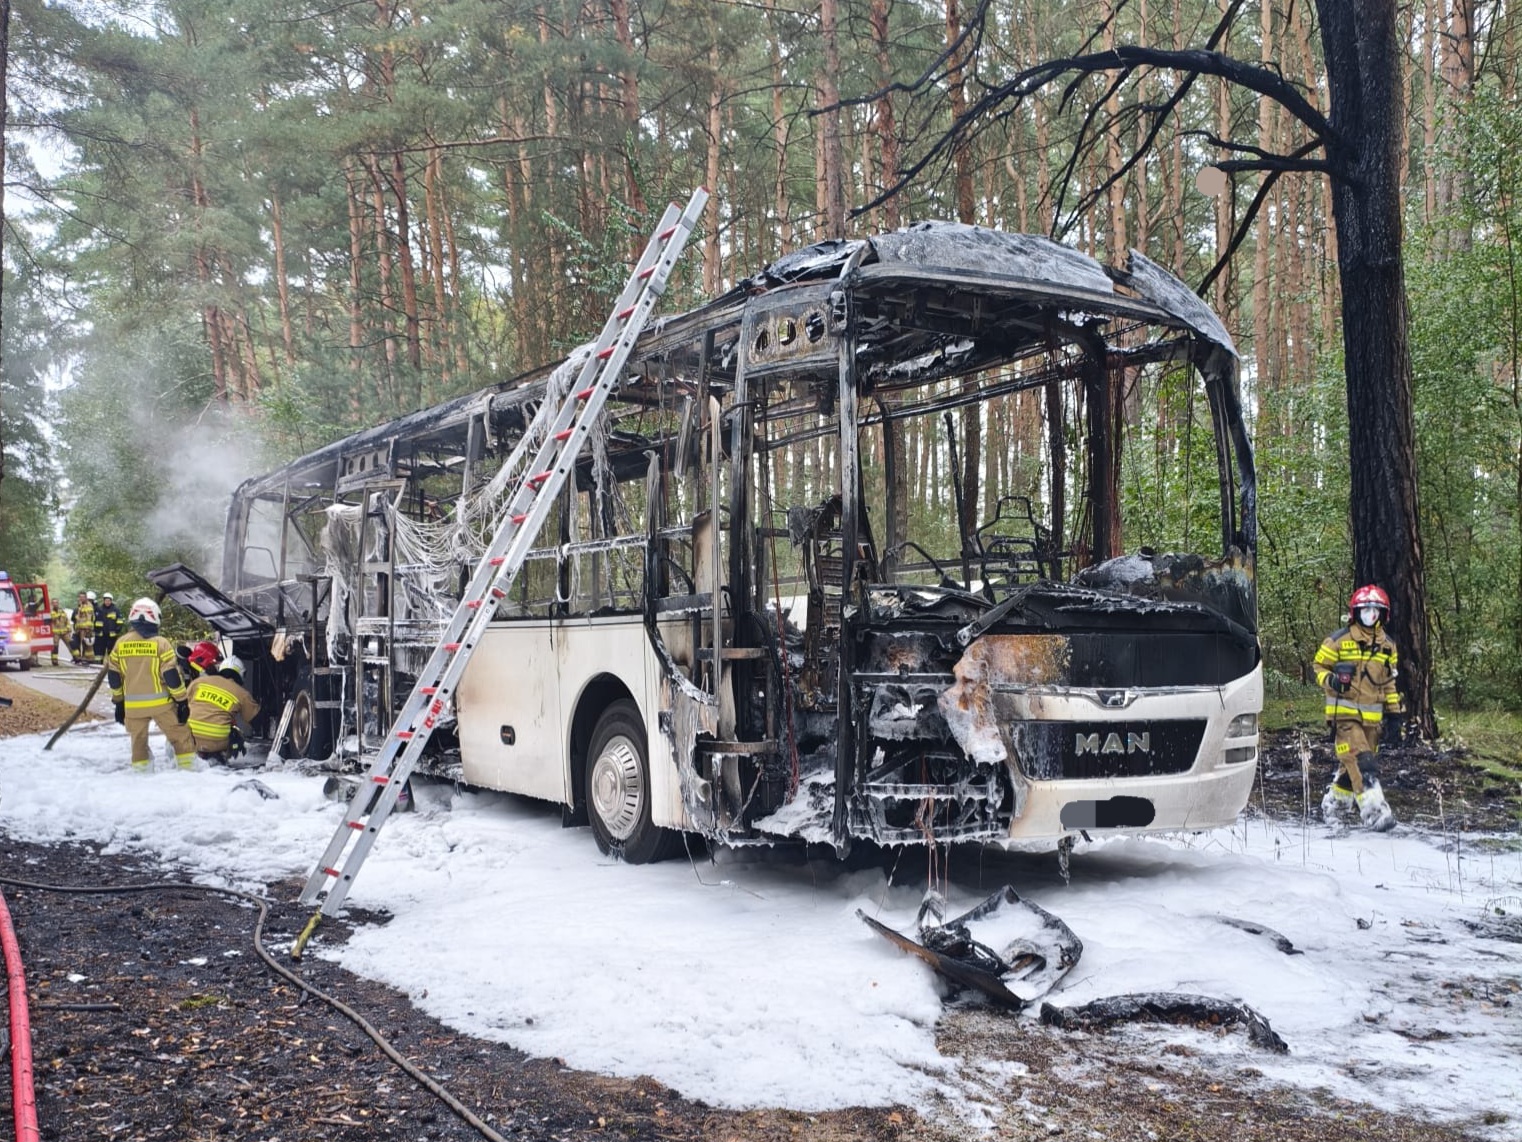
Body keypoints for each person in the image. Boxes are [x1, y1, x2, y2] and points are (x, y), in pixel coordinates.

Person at [1313, 584, 1402, 831]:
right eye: (1365, 610)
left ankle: (1335, 807)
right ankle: (1375, 813)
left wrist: (1395, 715)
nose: (1370, 615)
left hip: (1372, 720)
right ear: (1356, 612)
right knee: (1364, 763)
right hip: (1344, 716)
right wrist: (1331, 680)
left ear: (1383, 615)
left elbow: (1389, 683)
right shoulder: (1339, 640)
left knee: (1351, 765)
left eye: (1376, 611)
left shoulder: (1388, 647)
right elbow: (1319, 666)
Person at [105, 597, 196, 772]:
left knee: (138, 743)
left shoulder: (121, 643)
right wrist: (182, 701)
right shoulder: (161, 643)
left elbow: (114, 676)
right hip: (161, 706)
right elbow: (171, 675)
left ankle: (142, 776)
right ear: (154, 618)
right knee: (180, 736)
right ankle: (188, 772)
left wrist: (118, 702)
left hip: (133, 707)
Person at [185, 654, 260, 762]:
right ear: (241, 674)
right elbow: (256, 721)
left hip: (188, 737)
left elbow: (181, 706)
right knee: (236, 732)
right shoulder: (242, 693)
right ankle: (219, 755)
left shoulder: (198, 682)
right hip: (217, 741)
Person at [94, 592, 123, 659]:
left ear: (111, 601)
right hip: (101, 635)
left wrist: (117, 630)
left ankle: (111, 665)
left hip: (112, 636)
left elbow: (120, 621)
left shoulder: (116, 610)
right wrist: (96, 630)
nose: (107, 602)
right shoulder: (99, 609)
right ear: (104, 601)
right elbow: (94, 620)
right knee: (99, 651)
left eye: (109, 600)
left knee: (111, 651)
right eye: (106, 600)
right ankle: (98, 663)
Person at [72, 591, 97, 665]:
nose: (81, 598)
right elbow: (78, 617)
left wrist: (88, 629)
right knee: (79, 643)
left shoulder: (88, 606)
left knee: (86, 644)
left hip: (86, 628)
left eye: (83, 597)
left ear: (86, 598)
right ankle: (82, 658)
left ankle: (88, 659)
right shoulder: (81, 606)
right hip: (80, 628)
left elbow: (89, 619)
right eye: (80, 597)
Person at [48, 600, 71, 666]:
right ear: (51, 604)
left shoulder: (63, 612)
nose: (55, 604)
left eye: (56, 603)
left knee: (71, 644)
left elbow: (67, 621)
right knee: (55, 647)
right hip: (55, 633)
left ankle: (76, 658)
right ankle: (54, 661)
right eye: (54, 603)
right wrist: (59, 614)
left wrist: (68, 628)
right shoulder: (50, 612)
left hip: (64, 632)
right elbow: (53, 618)